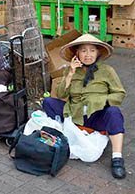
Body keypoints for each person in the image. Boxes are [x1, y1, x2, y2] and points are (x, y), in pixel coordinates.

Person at [42, 34, 127, 179]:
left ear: (98, 52)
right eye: (83, 51)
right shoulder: (70, 70)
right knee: (48, 102)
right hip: (75, 114)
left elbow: (119, 93)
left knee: (114, 113)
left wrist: (102, 101)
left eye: (92, 50)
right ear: (77, 53)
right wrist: (70, 73)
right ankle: (74, 131)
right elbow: (61, 93)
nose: (88, 55)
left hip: (96, 114)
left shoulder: (107, 71)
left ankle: (117, 158)